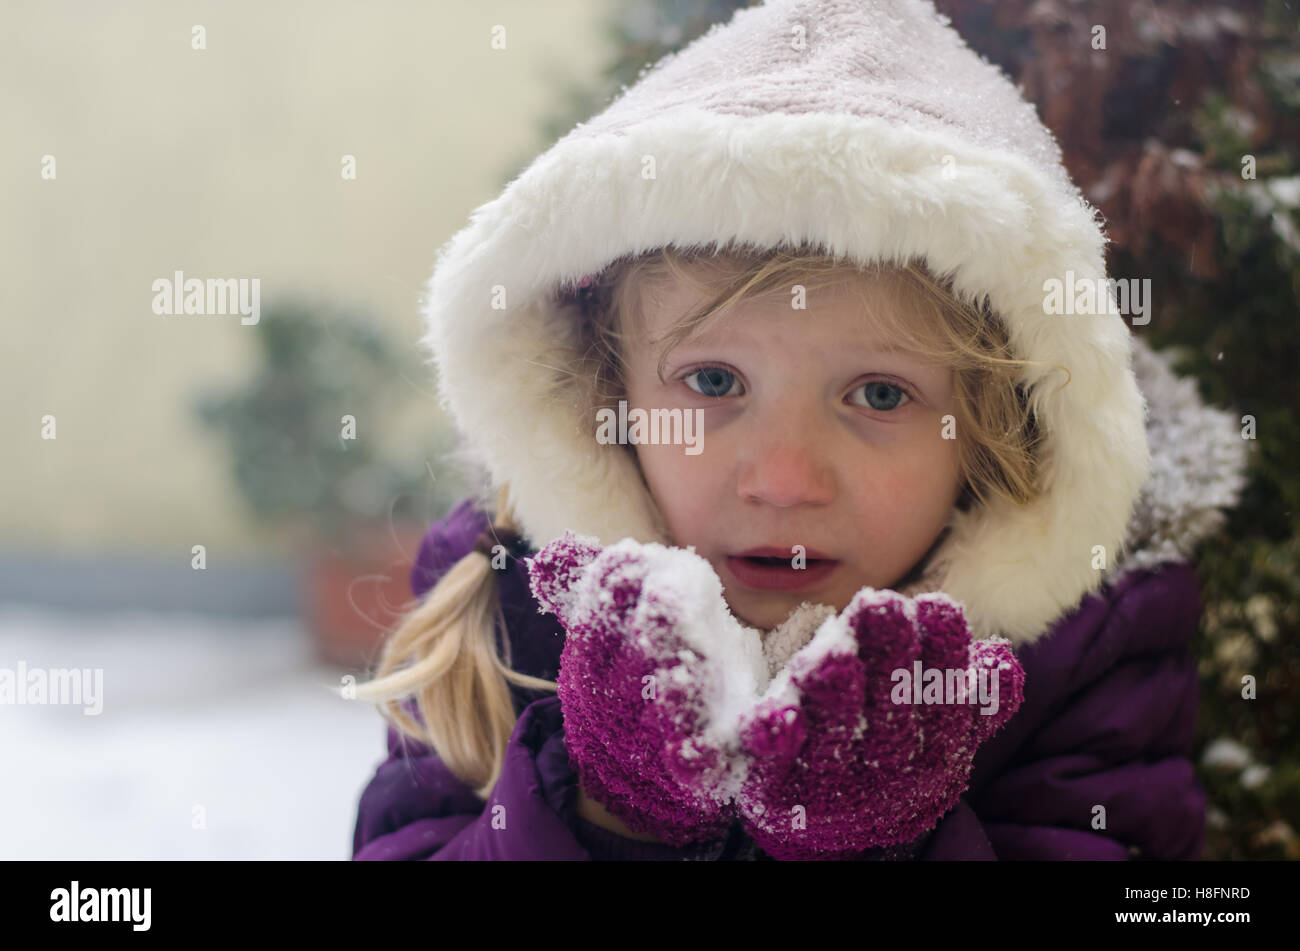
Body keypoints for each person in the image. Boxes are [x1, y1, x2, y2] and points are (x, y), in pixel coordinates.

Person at [348, 0, 1248, 860]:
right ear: (603, 395)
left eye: (881, 396)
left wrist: (884, 843)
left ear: (994, 429)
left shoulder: (1087, 639)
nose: (783, 479)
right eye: (713, 381)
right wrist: (611, 814)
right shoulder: (515, 596)